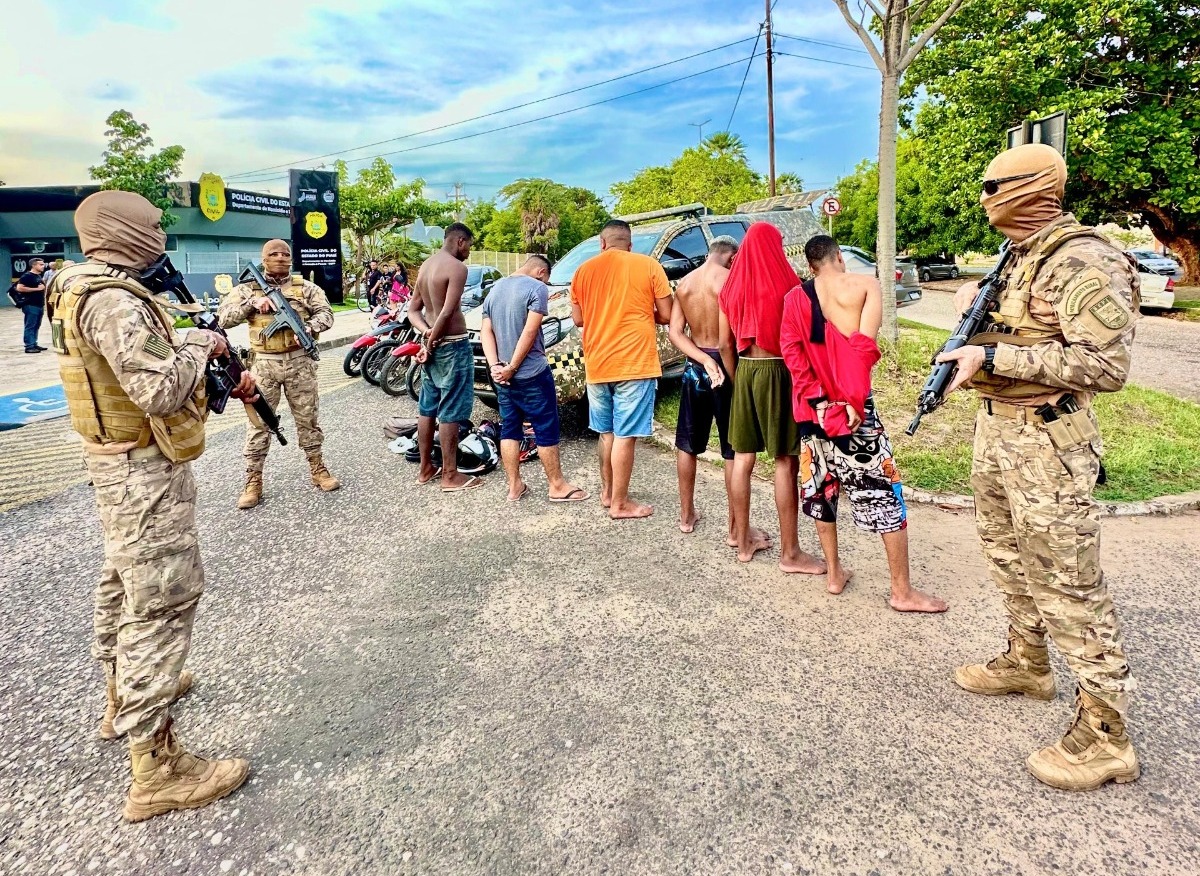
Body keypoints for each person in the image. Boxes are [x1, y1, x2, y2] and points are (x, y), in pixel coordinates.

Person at [936, 143, 1141, 790]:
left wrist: (997, 361)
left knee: (1068, 582)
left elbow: (1105, 366)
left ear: (1028, 190)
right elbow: (1021, 331)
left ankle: (1106, 736)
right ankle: (1028, 661)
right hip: (999, 435)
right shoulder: (1020, 258)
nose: (986, 196)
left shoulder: (1084, 260)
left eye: (994, 185)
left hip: (1049, 442)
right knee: (1009, 559)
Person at [45, 190, 251, 821]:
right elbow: (160, 390)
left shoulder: (72, 285)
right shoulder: (109, 299)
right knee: (163, 598)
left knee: (124, 580)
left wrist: (180, 335)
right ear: (118, 230)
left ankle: (121, 694)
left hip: (114, 462)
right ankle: (156, 769)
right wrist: (200, 346)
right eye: (153, 223)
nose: (162, 231)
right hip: (141, 472)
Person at [780, 235, 947, 613]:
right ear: (840, 257)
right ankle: (901, 591)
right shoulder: (866, 286)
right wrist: (851, 402)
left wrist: (821, 403)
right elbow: (863, 348)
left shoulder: (794, 298)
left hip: (813, 413)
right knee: (884, 493)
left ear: (810, 266)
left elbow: (792, 355)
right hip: (856, 414)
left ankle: (835, 573)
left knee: (822, 489)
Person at [718, 222, 825, 573]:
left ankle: (743, 540)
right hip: (781, 372)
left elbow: (724, 344)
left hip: (746, 369)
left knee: (742, 457)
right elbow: (807, 340)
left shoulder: (731, 285)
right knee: (785, 461)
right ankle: (791, 553)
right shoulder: (789, 285)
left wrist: (738, 381)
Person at [218, 239, 339, 509]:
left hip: (299, 364)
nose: (281, 258)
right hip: (263, 365)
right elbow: (223, 318)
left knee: (308, 419)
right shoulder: (247, 289)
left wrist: (309, 327)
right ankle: (253, 480)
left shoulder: (305, 288)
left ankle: (318, 468)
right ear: (263, 258)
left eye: (285, 254)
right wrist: (253, 303)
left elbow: (327, 314)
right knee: (259, 424)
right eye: (274, 254)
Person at [668, 236, 771, 549]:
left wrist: (700, 359)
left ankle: (687, 516)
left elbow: (675, 333)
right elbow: (728, 342)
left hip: (695, 368)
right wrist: (734, 377)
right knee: (733, 448)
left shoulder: (684, 283)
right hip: (726, 365)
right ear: (733, 255)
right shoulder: (730, 280)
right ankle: (734, 529)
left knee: (687, 442)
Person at [570, 219, 672, 519]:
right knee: (626, 435)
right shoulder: (648, 265)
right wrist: (642, 310)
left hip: (598, 363)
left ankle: (607, 492)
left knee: (607, 433)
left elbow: (578, 319)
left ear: (602, 244)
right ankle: (620, 503)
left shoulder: (583, 271)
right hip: (634, 363)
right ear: (629, 244)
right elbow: (666, 314)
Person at [481, 254, 588, 503]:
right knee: (545, 427)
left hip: (502, 376)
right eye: (547, 279)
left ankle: (514, 486)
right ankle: (557, 485)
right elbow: (531, 330)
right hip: (531, 373)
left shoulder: (495, 289)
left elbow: (487, 331)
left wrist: (496, 365)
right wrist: (513, 367)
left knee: (510, 428)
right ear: (541, 272)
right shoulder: (537, 287)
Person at [409, 223, 483, 492]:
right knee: (451, 409)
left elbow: (413, 311)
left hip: (431, 345)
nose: (469, 253)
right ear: (460, 241)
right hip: (451, 346)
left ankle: (426, 468)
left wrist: (426, 335)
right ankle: (450, 475)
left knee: (428, 407)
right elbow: (448, 312)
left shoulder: (427, 265)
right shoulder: (457, 268)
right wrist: (433, 339)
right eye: (469, 246)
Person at [15, 257, 47, 353]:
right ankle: (29, 346)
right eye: (40, 264)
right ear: (34, 265)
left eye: (43, 264)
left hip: (39, 305)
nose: (43, 266)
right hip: (30, 305)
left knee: (36, 325)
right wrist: (37, 289)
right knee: (30, 325)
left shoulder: (38, 276)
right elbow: (19, 288)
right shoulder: (27, 276)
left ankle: (34, 344)